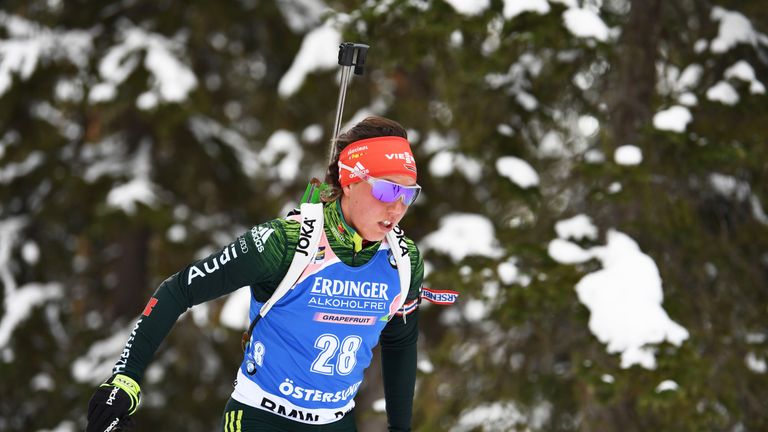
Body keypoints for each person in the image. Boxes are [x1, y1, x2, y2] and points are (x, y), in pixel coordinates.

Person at [86, 116, 425, 432]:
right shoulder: (286, 243)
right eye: (387, 189)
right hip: (261, 417)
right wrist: (124, 380)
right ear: (350, 182)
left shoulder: (403, 260)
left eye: (408, 193)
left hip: (337, 421)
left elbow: (400, 342)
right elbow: (178, 290)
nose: (397, 207)